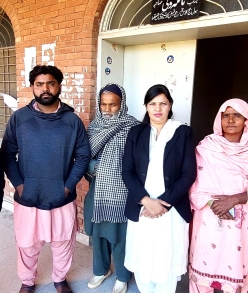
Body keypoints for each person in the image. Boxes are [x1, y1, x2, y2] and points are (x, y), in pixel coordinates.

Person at [1, 65, 90, 293]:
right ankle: (27, 281)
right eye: (39, 84)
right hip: (28, 197)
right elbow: (8, 154)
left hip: (61, 197)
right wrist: (20, 186)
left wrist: (69, 187)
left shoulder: (72, 121)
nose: (45, 89)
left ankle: (60, 279)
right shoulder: (20, 118)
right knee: (27, 245)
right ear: (32, 87)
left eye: (50, 83)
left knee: (62, 243)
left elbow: (82, 156)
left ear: (59, 85)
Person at [189, 98, 248, 293]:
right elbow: (193, 188)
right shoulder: (206, 148)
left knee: (235, 278)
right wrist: (213, 203)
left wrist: (235, 199)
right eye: (225, 115)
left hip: (240, 226)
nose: (230, 120)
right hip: (209, 220)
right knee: (202, 278)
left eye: (237, 115)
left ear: (247, 120)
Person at [122, 84, 197, 293]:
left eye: (163, 103)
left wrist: (162, 204)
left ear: (170, 105)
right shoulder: (136, 132)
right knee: (142, 259)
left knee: (167, 262)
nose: (158, 108)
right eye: (152, 103)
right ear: (146, 106)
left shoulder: (183, 132)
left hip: (171, 210)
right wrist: (146, 201)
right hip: (141, 207)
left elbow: (188, 174)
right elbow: (127, 171)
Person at [85, 83, 139, 293]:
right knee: (98, 234)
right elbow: (84, 156)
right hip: (97, 191)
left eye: (113, 105)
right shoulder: (93, 127)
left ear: (122, 104)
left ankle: (123, 276)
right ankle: (101, 270)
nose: (107, 110)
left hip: (123, 192)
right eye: (103, 104)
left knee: (120, 236)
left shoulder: (133, 127)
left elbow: (141, 159)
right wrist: (95, 167)